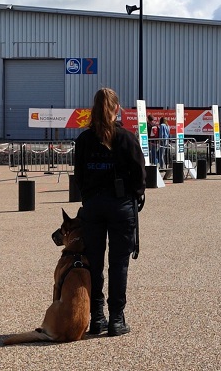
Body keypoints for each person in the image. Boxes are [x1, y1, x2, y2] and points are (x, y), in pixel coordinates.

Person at [74, 88, 146, 337]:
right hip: (120, 205)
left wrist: (89, 196)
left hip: (93, 205)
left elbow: (79, 175)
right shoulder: (126, 138)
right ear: (117, 109)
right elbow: (139, 174)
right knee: (119, 264)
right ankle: (116, 318)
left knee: (94, 262)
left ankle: (97, 317)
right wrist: (134, 195)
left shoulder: (84, 140)